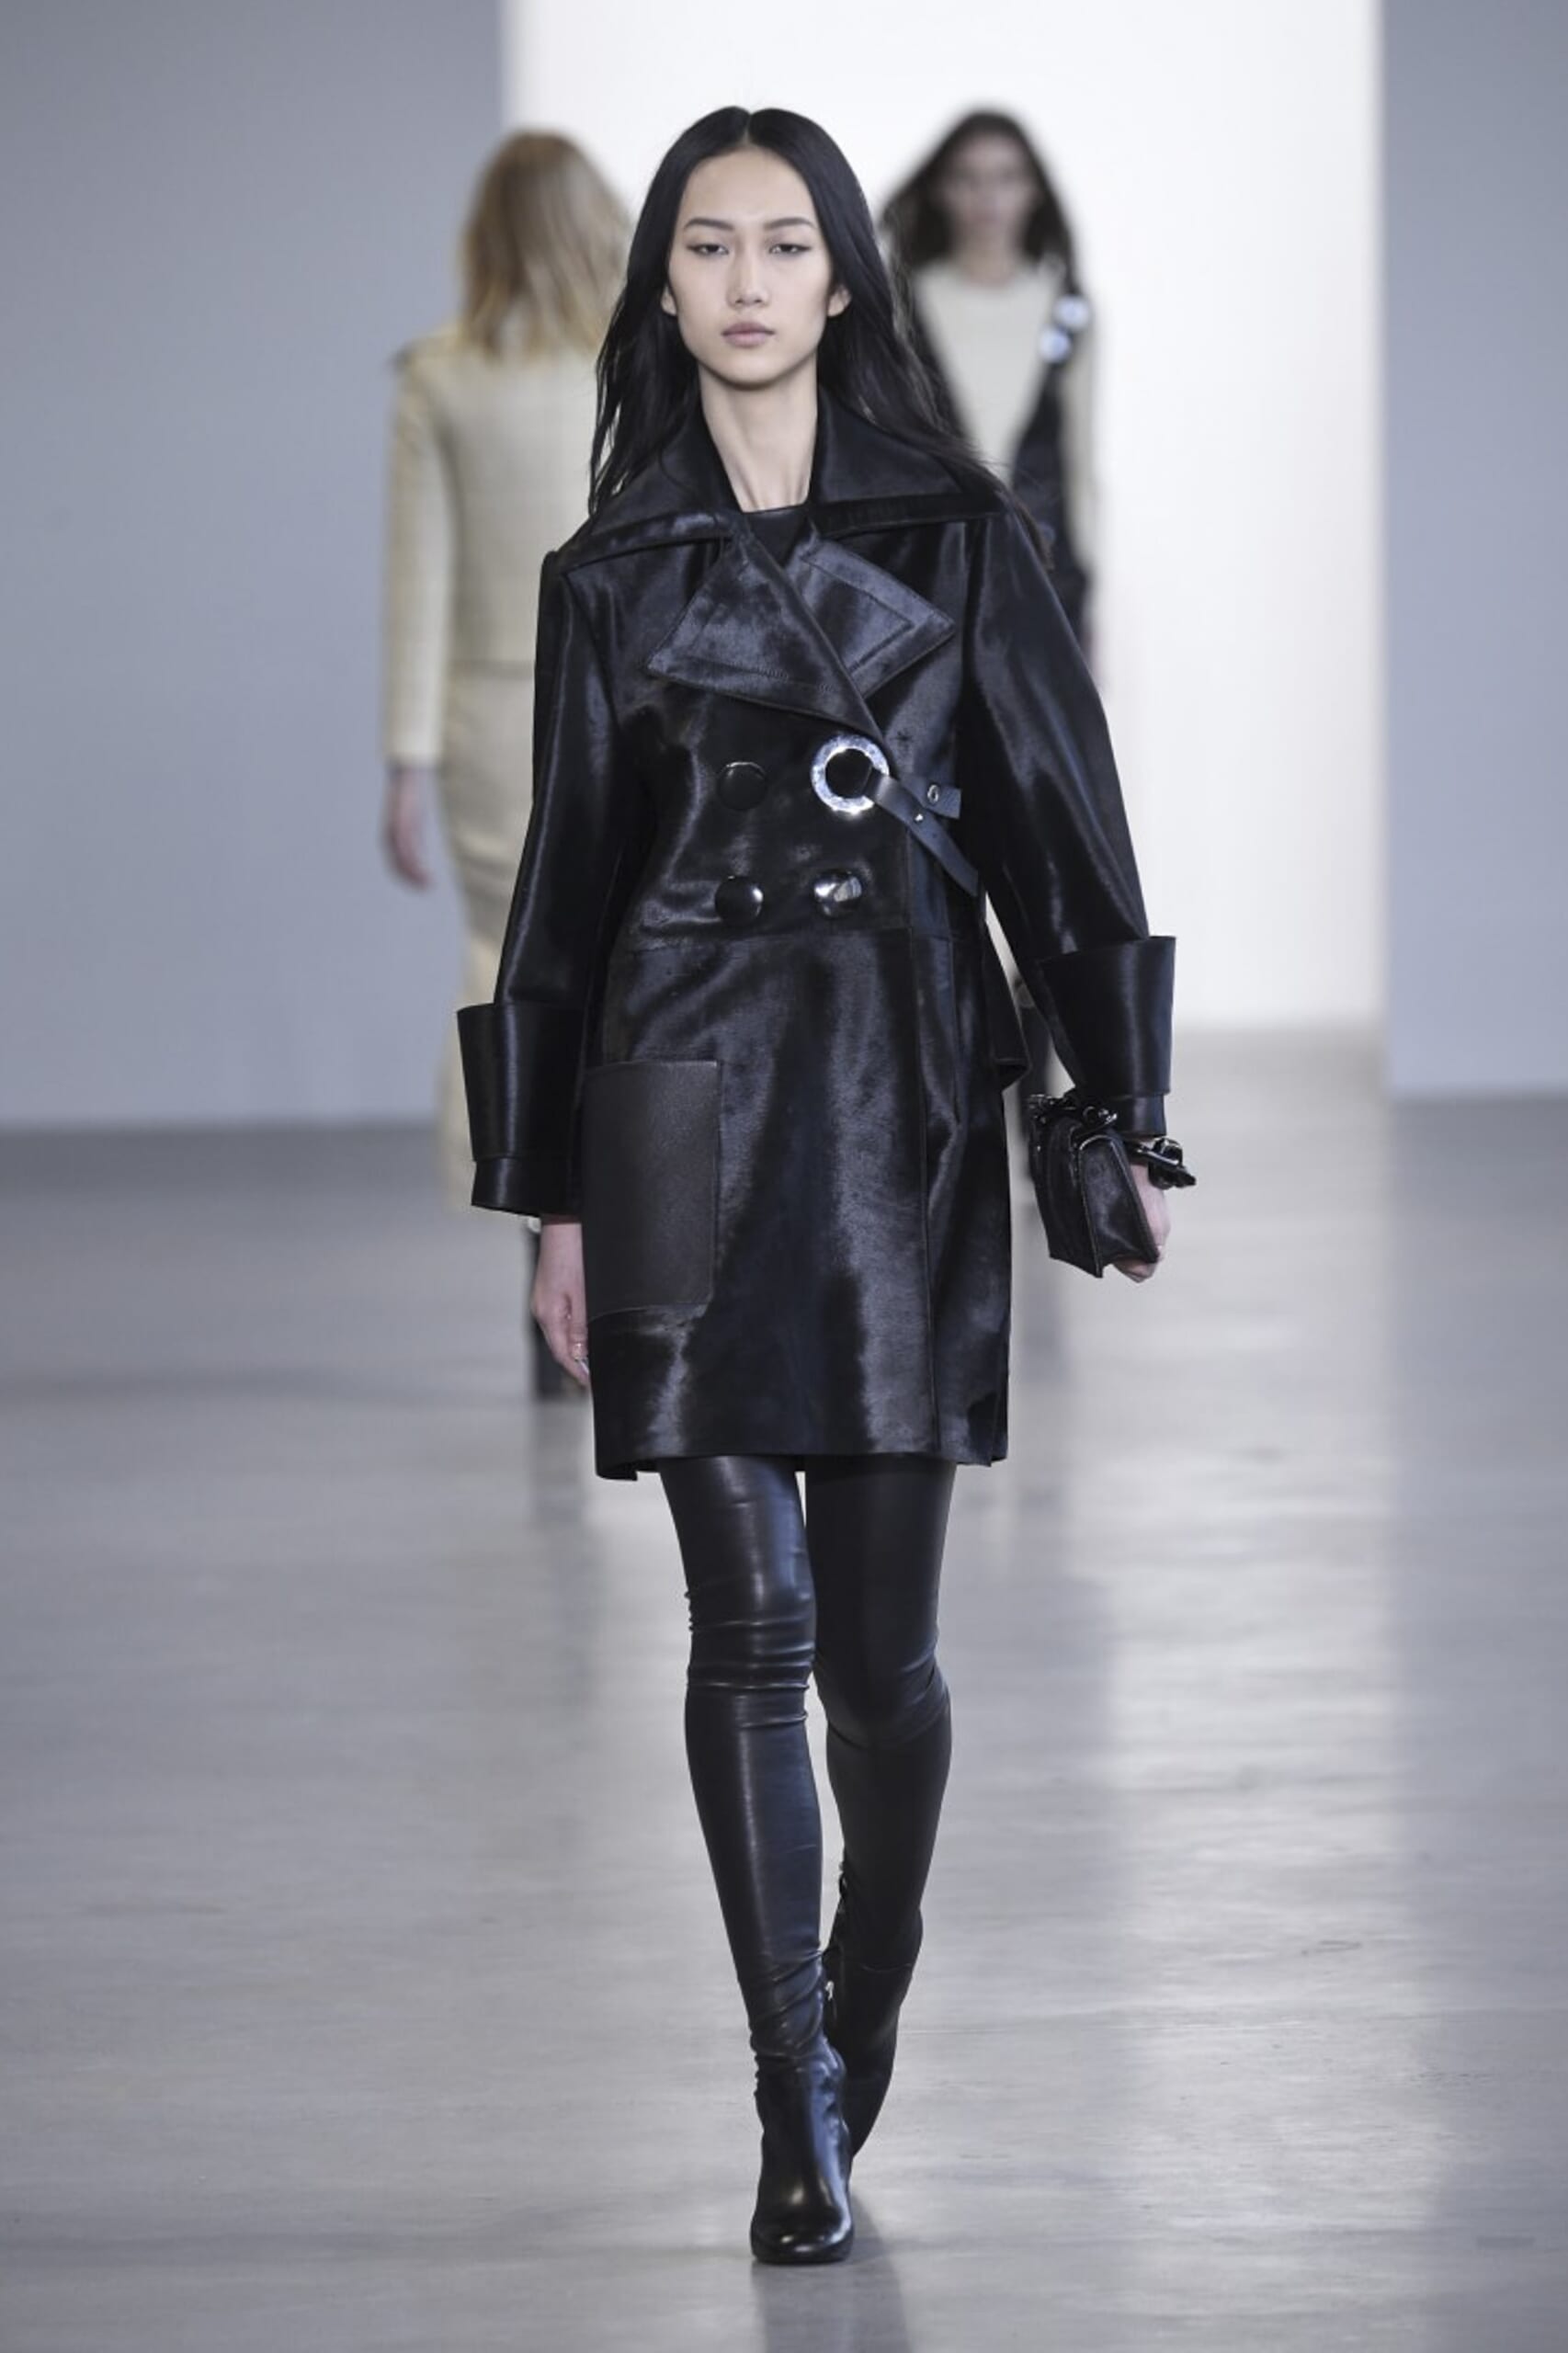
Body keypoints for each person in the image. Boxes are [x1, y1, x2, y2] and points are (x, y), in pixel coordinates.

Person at [458, 106, 1183, 2266]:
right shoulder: (607, 574)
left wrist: (1120, 1106)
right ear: (662, 282)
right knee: (744, 1627)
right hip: (674, 1096)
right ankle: (792, 2095)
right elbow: (565, 900)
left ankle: (867, 1974)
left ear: (843, 276)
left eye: (786, 243)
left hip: (892, 1093)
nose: (748, 280)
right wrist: (553, 1195)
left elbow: (1061, 827)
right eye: (708, 244)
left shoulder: (956, 536)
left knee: (879, 1667)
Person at [380, 131, 626, 1390]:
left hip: (490, 715)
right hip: (631, 703)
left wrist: (405, 761)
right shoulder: (640, 365)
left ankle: (539, 1248)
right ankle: (617, 1267)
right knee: (628, 965)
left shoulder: (441, 375)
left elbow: (416, 579)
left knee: (506, 964)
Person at [884, 111, 1096, 653]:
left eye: (1007, 177)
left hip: (1046, 577)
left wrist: (1089, 595)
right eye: (967, 178)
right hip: (929, 575)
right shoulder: (901, 306)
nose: (988, 198)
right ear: (939, 189)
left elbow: (1079, 461)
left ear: (1035, 190)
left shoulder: (1068, 312)